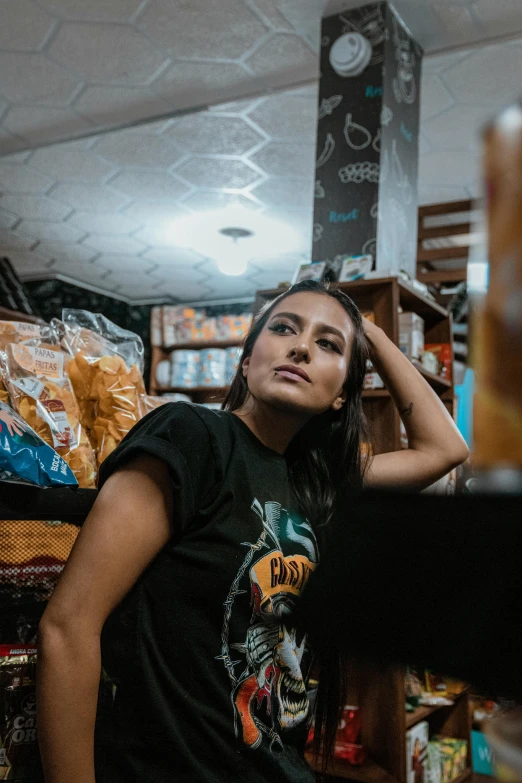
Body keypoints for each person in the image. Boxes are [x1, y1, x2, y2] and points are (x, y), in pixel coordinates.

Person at [36, 280, 469, 783]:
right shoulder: (193, 437)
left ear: (341, 395)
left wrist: (365, 328)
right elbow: (68, 628)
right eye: (284, 328)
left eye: (328, 344)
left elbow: (444, 449)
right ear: (246, 362)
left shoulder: (318, 482)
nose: (301, 346)